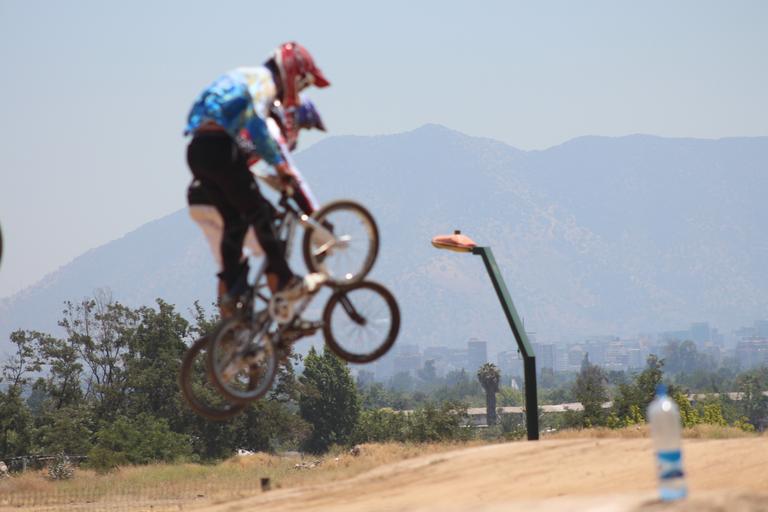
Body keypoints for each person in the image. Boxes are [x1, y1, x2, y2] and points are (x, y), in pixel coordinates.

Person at [184, 42, 330, 315]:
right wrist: (279, 165)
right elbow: (257, 127)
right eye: (301, 84)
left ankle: (233, 294)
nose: (297, 93)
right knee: (261, 215)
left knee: (235, 221)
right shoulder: (263, 83)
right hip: (221, 148)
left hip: (197, 150)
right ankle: (286, 281)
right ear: (292, 73)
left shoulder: (243, 75)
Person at [187, 97, 325, 291]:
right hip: (218, 197)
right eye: (303, 127)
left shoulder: (243, 134)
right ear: (291, 120)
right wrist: (318, 220)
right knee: (272, 244)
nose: (299, 134)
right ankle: (283, 298)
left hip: (198, 198)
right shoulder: (267, 134)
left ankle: (230, 307)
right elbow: (291, 181)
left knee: (231, 266)